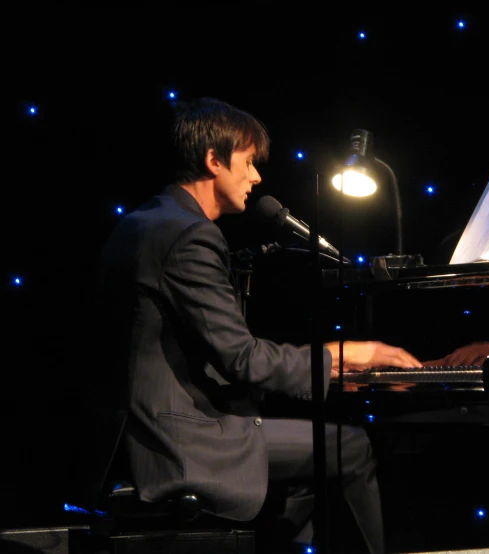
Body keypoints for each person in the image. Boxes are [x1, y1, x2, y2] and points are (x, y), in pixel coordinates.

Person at [92, 97, 422, 553]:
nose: (257, 177)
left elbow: (198, 354)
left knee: (309, 464)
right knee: (352, 447)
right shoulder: (190, 236)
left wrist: (322, 369)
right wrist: (343, 356)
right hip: (180, 440)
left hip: (128, 434)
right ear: (214, 160)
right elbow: (241, 358)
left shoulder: (142, 222)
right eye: (248, 162)